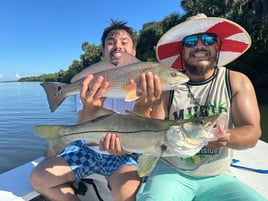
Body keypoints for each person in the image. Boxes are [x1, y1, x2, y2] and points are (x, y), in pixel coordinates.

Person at [133, 14, 267, 201]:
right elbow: (151, 132)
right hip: (171, 172)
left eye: (207, 39)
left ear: (217, 46)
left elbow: (252, 132)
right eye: (190, 41)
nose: (199, 46)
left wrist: (226, 136)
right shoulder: (168, 87)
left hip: (219, 177)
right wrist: (142, 105)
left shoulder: (236, 82)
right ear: (182, 50)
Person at [30, 20, 162, 201]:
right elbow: (82, 127)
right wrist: (91, 106)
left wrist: (143, 105)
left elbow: (151, 132)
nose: (118, 47)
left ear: (133, 51)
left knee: (128, 196)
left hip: (126, 153)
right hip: (88, 149)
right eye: (111, 42)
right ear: (103, 51)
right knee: (39, 178)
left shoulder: (149, 81)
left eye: (124, 42)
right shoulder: (91, 81)